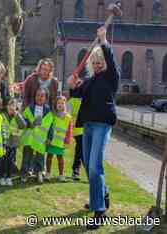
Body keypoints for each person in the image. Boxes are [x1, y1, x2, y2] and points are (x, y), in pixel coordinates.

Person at [67, 26, 120, 230]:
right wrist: (72, 85)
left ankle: (99, 212)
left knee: (94, 166)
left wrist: (103, 40)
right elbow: (75, 93)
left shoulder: (111, 77)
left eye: (100, 62)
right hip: (87, 125)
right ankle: (101, 193)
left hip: (102, 125)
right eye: (94, 62)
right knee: (89, 164)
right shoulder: (89, 81)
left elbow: (111, 59)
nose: (97, 65)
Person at [20, 88, 54, 183]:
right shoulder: (29, 108)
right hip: (29, 137)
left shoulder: (48, 111)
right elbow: (23, 120)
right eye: (38, 95)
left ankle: (38, 172)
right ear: (35, 97)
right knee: (27, 155)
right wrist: (28, 123)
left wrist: (49, 137)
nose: (39, 97)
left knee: (40, 156)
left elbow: (51, 126)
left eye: (42, 96)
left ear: (45, 98)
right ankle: (25, 172)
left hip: (40, 139)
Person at [0, 98, 27, 186]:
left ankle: (8, 177)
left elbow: (23, 125)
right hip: (4, 142)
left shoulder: (18, 115)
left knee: (11, 161)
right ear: (7, 107)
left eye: (13, 108)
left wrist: (17, 115)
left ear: (16, 108)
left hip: (13, 143)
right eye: (10, 107)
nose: (11, 110)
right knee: (3, 160)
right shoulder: (2, 115)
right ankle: (2, 177)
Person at [45, 96, 73, 182]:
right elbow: (48, 127)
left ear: (65, 105)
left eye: (62, 103)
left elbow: (69, 131)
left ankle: (61, 175)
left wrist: (67, 141)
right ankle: (48, 173)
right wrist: (47, 138)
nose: (60, 105)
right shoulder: (52, 115)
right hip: (51, 141)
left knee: (60, 158)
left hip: (61, 142)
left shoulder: (68, 117)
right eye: (58, 103)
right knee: (49, 157)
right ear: (55, 105)